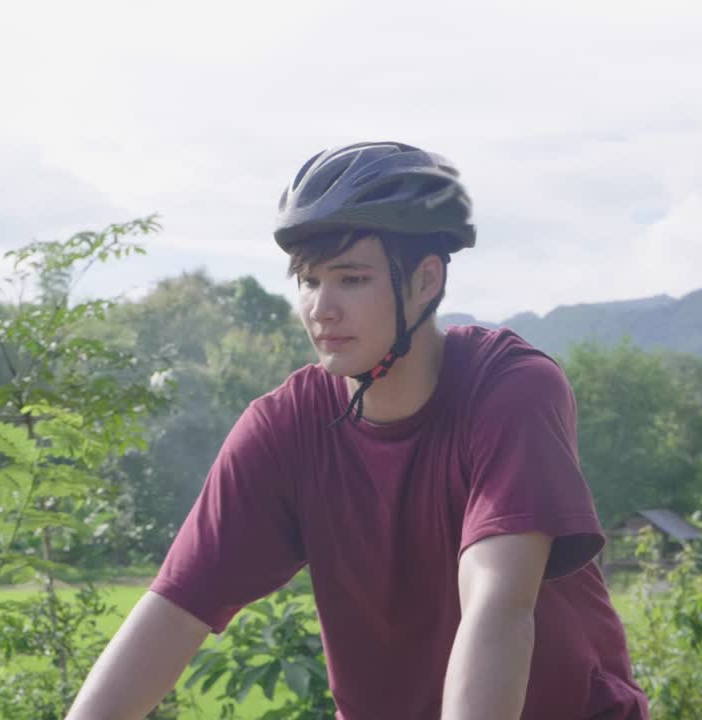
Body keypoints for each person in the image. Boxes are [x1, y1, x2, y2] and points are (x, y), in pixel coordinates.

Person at [66, 141, 650, 719]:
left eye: (350, 279)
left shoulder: (510, 391)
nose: (322, 307)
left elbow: (496, 604)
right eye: (308, 280)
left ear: (425, 281)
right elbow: (173, 609)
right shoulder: (284, 429)